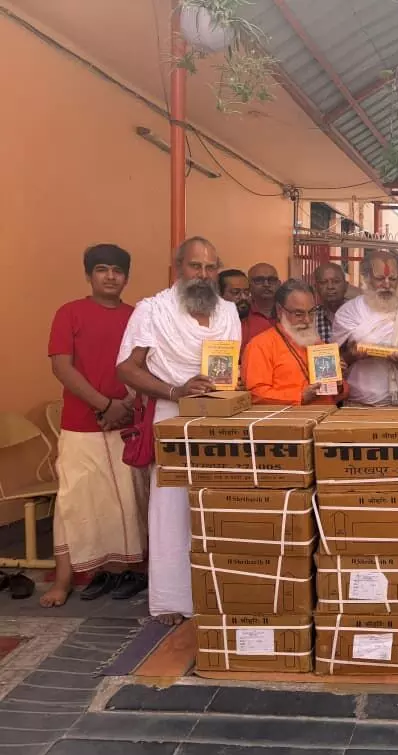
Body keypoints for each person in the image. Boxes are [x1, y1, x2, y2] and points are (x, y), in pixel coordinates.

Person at [116, 236, 241, 625]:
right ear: (178, 268)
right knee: (171, 507)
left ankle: (220, 591)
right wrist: (175, 390)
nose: (203, 274)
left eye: (210, 267)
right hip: (172, 414)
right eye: (195, 266)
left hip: (218, 418)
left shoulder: (228, 311)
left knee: (215, 505)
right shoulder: (152, 310)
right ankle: (170, 599)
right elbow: (126, 368)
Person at [41, 244, 148, 608]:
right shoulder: (69, 313)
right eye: (102, 269)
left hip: (127, 424)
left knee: (128, 501)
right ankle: (64, 581)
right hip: (80, 425)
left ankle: (124, 571)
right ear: (89, 275)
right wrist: (104, 405)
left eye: (117, 271)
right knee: (76, 502)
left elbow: (146, 367)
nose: (110, 276)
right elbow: (62, 366)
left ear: (126, 277)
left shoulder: (137, 317)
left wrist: (125, 406)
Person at [332, 249, 398, 406]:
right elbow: (332, 363)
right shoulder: (348, 312)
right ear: (366, 277)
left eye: (393, 278)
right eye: (380, 278)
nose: (387, 285)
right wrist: (352, 356)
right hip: (357, 404)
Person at [243, 280, 342, 406]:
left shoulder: (317, 343)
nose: (307, 320)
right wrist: (300, 396)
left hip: (327, 414)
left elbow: (338, 393)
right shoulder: (260, 345)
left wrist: (339, 385)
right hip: (289, 416)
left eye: (312, 312)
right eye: (299, 314)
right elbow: (256, 394)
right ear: (280, 310)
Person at [242, 262, 281, 346]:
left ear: (279, 284)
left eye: (271, 280)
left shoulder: (289, 312)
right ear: (248, 285)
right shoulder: (240, 313)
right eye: (259, 280)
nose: (266, 284)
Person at [313, 262, 348, 343]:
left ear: (346, 286)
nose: (330, 287)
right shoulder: (310, 318)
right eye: (323, 282)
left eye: (336, 281)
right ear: (316, 288)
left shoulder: (359, 314)